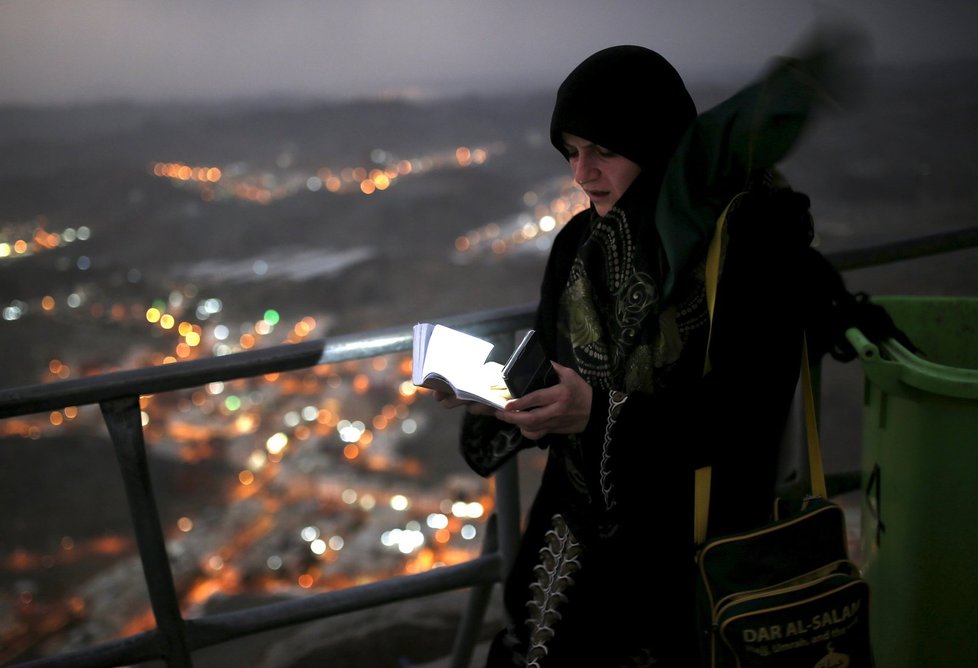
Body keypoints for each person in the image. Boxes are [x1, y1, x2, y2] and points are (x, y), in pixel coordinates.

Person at [433, 42, 892, 667]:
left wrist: (596, 412)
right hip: (573, 538)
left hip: (694, 545)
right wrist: (495, 396)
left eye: (603, 150)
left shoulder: (749, 244)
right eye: (571, 151)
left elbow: (744, 413)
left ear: (656, 141)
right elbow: (555, 372)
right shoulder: (578, 245)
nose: (580, 174)